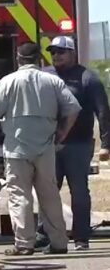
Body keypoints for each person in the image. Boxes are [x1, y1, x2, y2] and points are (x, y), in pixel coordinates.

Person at [0, 41, 81, 256]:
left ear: (18, 59)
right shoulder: (52, 81)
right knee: (50, 195)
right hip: (45, 148)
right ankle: (60, 243)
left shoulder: (8, 81)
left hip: (17, 149)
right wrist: (62, 132)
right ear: (39, 59)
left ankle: (24, 244)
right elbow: (73, 108)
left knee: (20, 196)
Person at [34, 36, 110, 251]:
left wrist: (106, 144)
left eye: (61, 51)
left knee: (79, 191)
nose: (56, 55)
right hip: (49, 145)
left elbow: (103, 112)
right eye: (53, 52)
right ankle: (43, 234)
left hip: (79, 144)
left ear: (72, 53)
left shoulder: (88, 78)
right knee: (47, 190)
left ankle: (81, 237)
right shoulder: (45, 75)